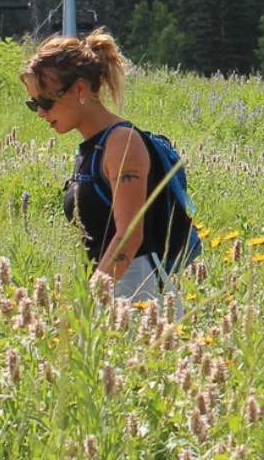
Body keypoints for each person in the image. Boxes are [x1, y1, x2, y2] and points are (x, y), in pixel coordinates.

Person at [22, 30, 198, 312]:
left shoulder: (121, 142)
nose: (41, 113)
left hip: (140, 299)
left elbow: (129, 235)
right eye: (33, 104)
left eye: (46, 101)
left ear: (80, 90)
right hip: (111, 294)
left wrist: (91, 301)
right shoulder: (90, 149)